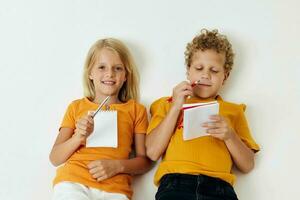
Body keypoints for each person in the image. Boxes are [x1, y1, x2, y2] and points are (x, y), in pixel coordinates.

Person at [146, 29, 260, 200]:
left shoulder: (233, 111)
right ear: (188, 71)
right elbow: (152, 152)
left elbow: (248, 165)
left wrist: (230, 136)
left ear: (225, 77)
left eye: (214, 71)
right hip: (175, 184)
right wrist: (176, 107)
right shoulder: (168, 104)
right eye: (199, 68)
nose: (205, 75)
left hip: (219, 188)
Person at [49, 38, 151, 200]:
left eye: (117, 68)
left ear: (125, 75)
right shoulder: (76, 107)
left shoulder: (136, 110)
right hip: (73, 182)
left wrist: (118, 166)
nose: (109, 74)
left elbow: (144, 161)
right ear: (90, 73)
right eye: (101, 67)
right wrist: (78, 137)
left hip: (115, 188)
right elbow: (55, 158)